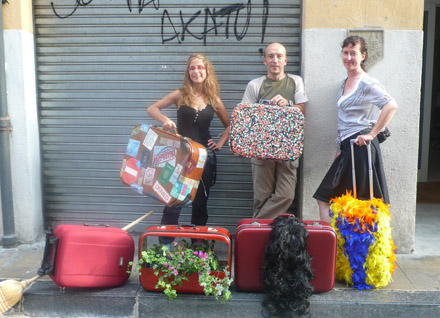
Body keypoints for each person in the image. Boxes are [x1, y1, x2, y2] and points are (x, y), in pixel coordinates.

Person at [313, 35, 398, 223]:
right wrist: (339, 149)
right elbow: (343, 120)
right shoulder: (345, 83)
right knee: (337, 201)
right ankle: (338, 246)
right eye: (345, 53)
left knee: (361, 203)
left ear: (363, 56)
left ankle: (350, 247)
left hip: (361, 148)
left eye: (354, 53)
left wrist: (372, 134)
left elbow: (391, 105)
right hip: (348, 148)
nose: (349, 58)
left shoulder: (366, 82)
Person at [147, 53, 230, 238]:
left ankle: (197, 248)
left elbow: (229, 125)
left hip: (204, 157)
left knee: (200, 203)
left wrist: (220, 143)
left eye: (200, 67)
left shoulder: (213, 99)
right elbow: (152, 108)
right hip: (181, 156)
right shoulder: (180, 94)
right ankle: (165, 249)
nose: (196, 71)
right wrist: (166, 120)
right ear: (188, 72)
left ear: (207, 71)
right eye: (192, 68)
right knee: (172, 201)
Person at [241, 42, 308, 219]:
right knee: (261, 198)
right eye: (271, 56)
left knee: (286, 195)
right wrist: (263, 109)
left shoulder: (296, 82)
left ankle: (254, 227)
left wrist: (288, 105)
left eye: (279, 56)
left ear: (286, 60)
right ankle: (260, 242)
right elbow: (244, 116)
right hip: (261, 150)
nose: (275, 60)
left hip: (288, 149)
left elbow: (302, 110)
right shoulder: (255, 85)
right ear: (265, 61)